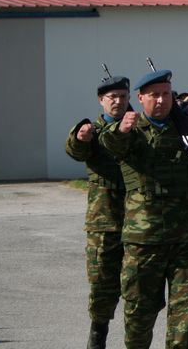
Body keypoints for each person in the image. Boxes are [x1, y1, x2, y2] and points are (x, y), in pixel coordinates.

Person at [99, 69, 188, 348]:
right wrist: (122, 129)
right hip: (143, 240)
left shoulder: (187, 132)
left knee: (186, 313)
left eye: (166, 94)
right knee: (139, 314)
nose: (161, 100)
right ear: (140, 98)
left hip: (187, 239)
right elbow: (109, 144)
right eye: (154, 95)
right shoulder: (129, 130)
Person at [66, 74, 130, 349]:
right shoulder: (93, 129)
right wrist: (80, 137)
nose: (118, 101)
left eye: (122, 96)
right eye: (112, 97)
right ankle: (97, 336)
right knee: (102, 284)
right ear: (101, 101)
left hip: (139, 220)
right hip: (103, 221)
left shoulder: (137, 126)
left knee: (138, 286)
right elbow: (76, 150)